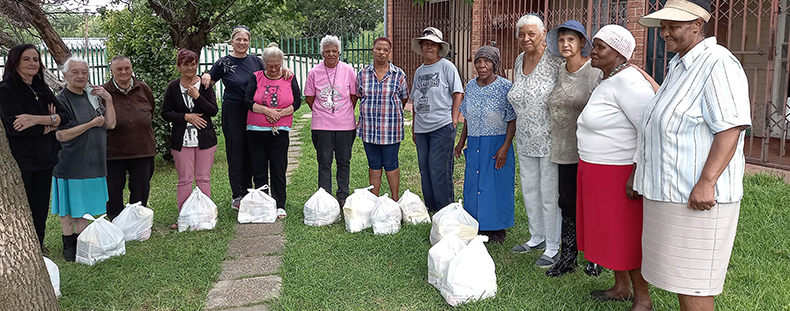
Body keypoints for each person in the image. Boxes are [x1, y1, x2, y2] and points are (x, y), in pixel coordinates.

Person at [635, 1, 751, 310]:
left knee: (695, 284)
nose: (665, 33)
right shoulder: (680, 64)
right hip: (670, 192)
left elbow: (730, 127)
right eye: (663, 27)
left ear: (698, 25)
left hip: (696, 196)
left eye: (673, 26)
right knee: (678, 278)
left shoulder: (717, 62)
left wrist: (707, 182)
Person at [575, 25, 656, 311]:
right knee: (609, 233)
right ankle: (621, 287)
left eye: (600, 47)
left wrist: (637, 172)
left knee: (625, 235)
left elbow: (648, 129)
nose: (592, 51)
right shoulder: (610, 79)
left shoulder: (630, 82)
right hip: (596, 170)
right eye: (594, 45)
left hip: (619, 172)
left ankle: (642, 298)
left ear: (619, 52)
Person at [543, 20, 603, 277]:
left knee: (591, 202)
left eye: (571, 40)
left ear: (582, 44)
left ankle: (595, 257)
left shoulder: (595, 73)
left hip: (588, 150)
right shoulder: (557, 71)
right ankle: (568, 256)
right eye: (561, 40)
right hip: (562, 147)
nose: (565, 44)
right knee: (566, 202)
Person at [507, 14, 564, 268]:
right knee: (530, 189)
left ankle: (553, 244)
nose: (526, 38)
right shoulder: (520, 60)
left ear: (543, 34)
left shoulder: (555, 60)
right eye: (522, 34)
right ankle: (537, 236)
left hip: (551, 138)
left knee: (549, 193)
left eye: (531, 34)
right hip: (526, 138)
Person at [0, 44, 70, 251]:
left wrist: (37, 119)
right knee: (24, 208)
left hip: (46, 158)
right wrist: (50, 124)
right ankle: (24, 248)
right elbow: (18, 130)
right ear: (14, 62)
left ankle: (38, 244)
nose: (32, 63)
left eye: (36, 59)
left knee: (40, 207)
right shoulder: (6, 90)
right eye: (26, 59)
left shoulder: (41, 87)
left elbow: (66, 116)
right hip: (23, 160)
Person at [52, 56, 117, 261]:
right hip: (70, 161)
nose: (81, 76)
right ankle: (68, 244)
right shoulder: (61, 99)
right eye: (75, 72)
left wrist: (108, 99)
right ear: (65, 75)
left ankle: (82, 243)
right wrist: (90, 124)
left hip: (94, 159)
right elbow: (61, 134)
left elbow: (111, 124)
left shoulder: (93, 95)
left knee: (84, 206)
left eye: (84, 72)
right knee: (68, 207)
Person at [453, 46, 516, 244]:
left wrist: (505, 147)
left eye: (486, 61)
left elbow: (512, 119)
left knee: (496, 184)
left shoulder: (505, 87)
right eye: (478, 61)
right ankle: (476, 223)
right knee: (475, 184)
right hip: (475, 141)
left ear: (494, 64)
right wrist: (461, 142)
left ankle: (497, 228)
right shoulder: (470, 86)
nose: (481, 65)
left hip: (496, 142)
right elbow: (468, 118)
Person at [201, 26, 263, 210]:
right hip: (233, 112)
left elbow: (270, 78)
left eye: (245, 40)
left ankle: (253, 192)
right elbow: (208, 82)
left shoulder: (256, 62)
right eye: (239, 39)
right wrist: (206, 75)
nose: (242, 43)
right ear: (232, 41)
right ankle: (238, 195)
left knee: (253, 152)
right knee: (236, 153)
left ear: (249, 42)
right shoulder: (223, 63)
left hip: (254, 111)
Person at [162, 49, 219, 229]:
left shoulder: (205, 85)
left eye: (193, 64)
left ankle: (205, 215)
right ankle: (185, 216)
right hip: (182, 139)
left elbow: (213, 111)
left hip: (205, 139)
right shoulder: (173, 87)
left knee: (203, 177)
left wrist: (198, 97)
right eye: (186, 64)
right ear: (179, 66)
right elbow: (165, 113)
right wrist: (186, 116)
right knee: (185, 179)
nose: (190, 68)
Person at [244, 42, 302, 218]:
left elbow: (297, 101)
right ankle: (263, 203)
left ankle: (279, 204)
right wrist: (266, 111)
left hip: (279, 131)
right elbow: (247, 100)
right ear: (264, 63)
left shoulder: (289, 77)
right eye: (270, 65)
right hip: (256, 131)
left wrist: (280, 114)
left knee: (278, 168)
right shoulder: (256, 77)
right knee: (259, 169)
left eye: (277, 65)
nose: (274, 68)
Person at [410, 27, 464, 212]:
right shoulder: (419, 71)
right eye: (426, 44)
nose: (429, 47)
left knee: (438, 167)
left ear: (439, 48)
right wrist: (414, 127)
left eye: (433, 44)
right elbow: (416, 99)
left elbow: (458, 93)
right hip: (421, 128)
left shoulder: (447, 67)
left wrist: (454, 119)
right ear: (422, 46)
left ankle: (445, 207)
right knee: (424, 168)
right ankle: (431, 205)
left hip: (441, 125)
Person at [305, 35, 358, 206]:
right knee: (324, 163)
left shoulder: (348, 70)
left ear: (339, 52)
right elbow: (310, 98)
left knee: (344, 162)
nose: (331, 54)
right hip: (322, 126)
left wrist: (342, 113)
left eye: (334, 51)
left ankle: (342, 196)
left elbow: (353, 96)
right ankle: (326, 198)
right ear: (322, 53)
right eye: (327, 51)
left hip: (345, 126)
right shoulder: (314, 72)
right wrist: (324, 113)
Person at [101, 55, 156, 220]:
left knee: (141, 189)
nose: (124, 72)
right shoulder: (104, 92)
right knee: (113, 191)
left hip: (143, 150)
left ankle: (137, 221)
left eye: (127, 68)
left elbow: (151, 110)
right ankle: (116, 222)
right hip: (113, 153)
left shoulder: (143, 88)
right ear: (111, 71)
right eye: (119, 69)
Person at [356, 37, 409, 200]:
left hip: (390, 129)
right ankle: (374, 200)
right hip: (369, 129)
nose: (382, 52)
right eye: (379, 48)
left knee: (391, 164)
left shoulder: (398, 75)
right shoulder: (363, 74)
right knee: (374, 165)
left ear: (389, 52)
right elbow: (359, 96)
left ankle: (394, 200)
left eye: (385, 50)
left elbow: (403, 98)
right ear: (373, 50)